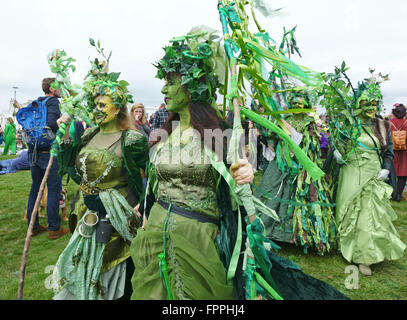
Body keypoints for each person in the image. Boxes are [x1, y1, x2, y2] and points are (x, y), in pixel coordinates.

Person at [130, 30, 348, 300]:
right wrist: (146, 203)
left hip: (197, 240)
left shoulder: (221, 132)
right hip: (154, 237)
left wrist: (243, 172)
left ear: (191, 88)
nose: (164, 89)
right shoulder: (165, 132)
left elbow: (237, 175)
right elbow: (153, 181)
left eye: (171, 82)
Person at [51, 49, 149, 300]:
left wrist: (143, 207)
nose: (97, 110)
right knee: (84, 267)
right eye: (95, 105)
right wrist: (63, 146)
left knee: (115, 273)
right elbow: (77, 172)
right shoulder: (89, 135)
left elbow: (150, 177)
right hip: (87, 214)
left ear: (117, 109)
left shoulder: (132, 140)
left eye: (102, 105)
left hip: (118, 219)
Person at [333, 83, 406, 276]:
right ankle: (344, 243)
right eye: (365, 103)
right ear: (358, 103)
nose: (370, 107)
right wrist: (336, 153)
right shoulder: (348, 123)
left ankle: (364, 256)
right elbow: (339, 144)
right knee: (347, 209)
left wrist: (386, 168)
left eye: (373, 103)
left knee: (368, 213)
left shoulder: (383, 125)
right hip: (350, 171)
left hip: (372, 174)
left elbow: (388, 152)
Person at [254, 90, 337, 255]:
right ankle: (268, 231)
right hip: (280, 163)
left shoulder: (310, 123)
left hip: (302, 167)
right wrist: (269, 134)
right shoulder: (284, 120)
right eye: (294, 104)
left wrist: (297, 137)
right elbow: (272, 135)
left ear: (305, 105)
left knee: (297, 197)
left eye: (300, 104)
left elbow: (313, 143)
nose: (296, 106)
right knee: (273, 192)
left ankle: (298, 236)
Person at [25, 78, 68, 239]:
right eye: (58, 87)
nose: (60, 90)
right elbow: (51, 124)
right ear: (52, 88)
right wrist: (61, 121)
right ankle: (54, 229)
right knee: (54, 189)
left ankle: (33, 227)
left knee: (35, 190)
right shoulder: (52, 102)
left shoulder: (37, 102)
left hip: (33, 151)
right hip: (47, 152)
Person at [390, 103, 407, 202]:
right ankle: (398, 195)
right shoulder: (406, 123)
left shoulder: (390, 123)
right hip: (404, 151)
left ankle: (392, 193)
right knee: (403, 174)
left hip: (393, 150)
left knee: (392, 173)